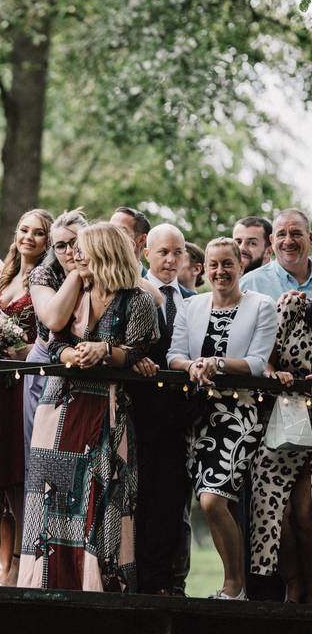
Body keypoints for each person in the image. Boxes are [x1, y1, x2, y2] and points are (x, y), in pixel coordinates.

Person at [18, 222, 159, 592]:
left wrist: (106, 351)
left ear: (104, 252)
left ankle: (100, 587)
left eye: (81, 249)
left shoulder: (137, 300)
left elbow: (138, 350)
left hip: (106, 410)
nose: (74, 255)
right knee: (52, 498)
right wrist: (70, 354)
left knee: (104, 497)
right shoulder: (75, 290)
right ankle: (46, 584)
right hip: (59, 410)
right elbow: (53, 338)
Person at [167, 238, 276, 600]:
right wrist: (192, 365)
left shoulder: (261, 306)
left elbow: (257, 363)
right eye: (213, 264)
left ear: (240, 266)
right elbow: (173, 355)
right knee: (209, 501)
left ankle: (235, 586)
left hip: (240, 413)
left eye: (227, 263)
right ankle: (234, 586)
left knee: (212, 501)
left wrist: (216, 363)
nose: (220, 271)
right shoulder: (191, 306)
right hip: (198, 415)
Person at [0, 207, 52, 586]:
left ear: (47, 241)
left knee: (22, 476)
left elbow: (50, 334)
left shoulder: (46, 280)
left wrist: (23, 351)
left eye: (38, 233)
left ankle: (24, 568)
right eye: (24, 230)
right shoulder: (3, 277)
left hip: (25, 385)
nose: (28, 237)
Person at [128, 225, 196, 596]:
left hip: (179, 417)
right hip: (138, 413)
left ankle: (164, 584)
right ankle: (135, 581)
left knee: (171, 502)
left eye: (177, 252)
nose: (171, 260)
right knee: (138, 498)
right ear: (146, 254)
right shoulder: (132, 292)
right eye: (163, 252)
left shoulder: (194, 301)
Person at [251, 291, 312, 602]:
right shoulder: (293, 304)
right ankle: (293, 583)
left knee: (305, 513)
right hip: (284, 422)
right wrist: (275, 374)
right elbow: (265, 359)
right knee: (275, 511)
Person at [27, 208, 88, 459]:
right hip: (45, 364)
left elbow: (155, 297)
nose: (69, 251)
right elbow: (54, 320)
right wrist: (76, 274)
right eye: (61, 246)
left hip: (86, 367)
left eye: (75, 242)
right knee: (41, 448)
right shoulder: (43, 274)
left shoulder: (101, 271)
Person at [240, 209, 312, 298]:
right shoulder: (249, 285)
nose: (288, 241)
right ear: (272, 240)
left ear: (310, 238)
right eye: (281, 234)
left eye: (296, 234)